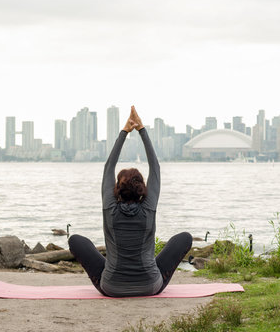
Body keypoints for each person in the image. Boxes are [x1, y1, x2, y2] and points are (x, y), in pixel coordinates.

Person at [68, 106, 192, 297]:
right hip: (151, 286)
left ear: (117, 188)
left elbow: (108, 167)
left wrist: (124, 131)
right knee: (184, 237)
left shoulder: (110, 208)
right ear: (142, 188)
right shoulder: (148, 208)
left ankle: (117, 278)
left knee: (76, 240)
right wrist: (141, 130)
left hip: (111, 288)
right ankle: (147, 276)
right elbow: (155, 167)